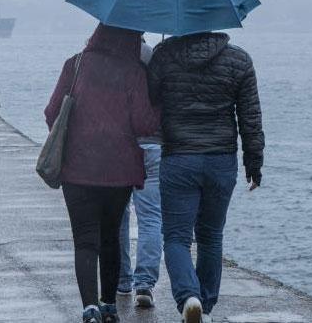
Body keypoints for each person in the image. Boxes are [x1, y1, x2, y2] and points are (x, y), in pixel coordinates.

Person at [43, 24, 159, 323]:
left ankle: (89, 308)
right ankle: (109, 305)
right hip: (119, 172)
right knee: (110, 237)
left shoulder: (76, 64)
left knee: (84, 240)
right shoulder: (134, 71)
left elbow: (51, 112)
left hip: (77, 169)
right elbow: (145, 123)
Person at [148, 32, 264, 323]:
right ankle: (206, 308)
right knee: (211, 236)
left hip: (178, 157)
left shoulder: (164, 55)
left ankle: (189, 297)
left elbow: (150, 100)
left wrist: (162, 58)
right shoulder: (239, 60)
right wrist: (254, 162)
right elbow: (250, 118)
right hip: (220, 160)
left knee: (176, 237)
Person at [117, 39, 163, 310]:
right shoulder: (155, 57)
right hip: (154, 143)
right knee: (150, 218)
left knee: (118, 216)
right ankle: (144, 283)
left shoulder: (109, 56)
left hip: (120, 145)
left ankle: (122, 280)